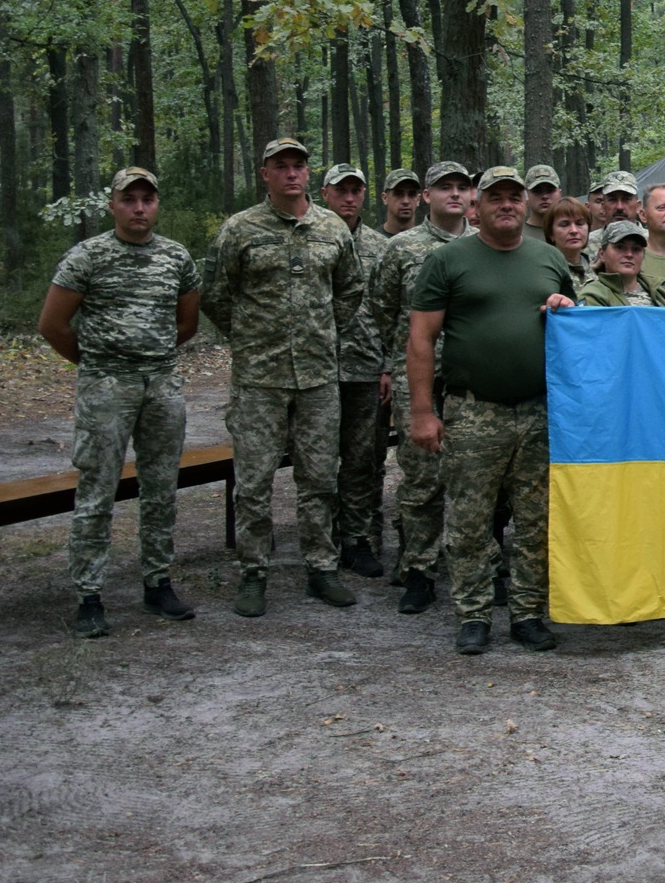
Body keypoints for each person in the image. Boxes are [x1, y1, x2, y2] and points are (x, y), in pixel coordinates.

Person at [408, 166, 576, 655]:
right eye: (495, 197)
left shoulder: (549, 258)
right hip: (474, 411)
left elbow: (576, 330)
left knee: (536, 518)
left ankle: (527, 613)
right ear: (477, 206)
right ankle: (474, 613)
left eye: (514, 196)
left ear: (525, 204)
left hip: (540, 411)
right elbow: (421, 338)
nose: (506, 204)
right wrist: (423, 412)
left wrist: (563, 305)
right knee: (469, 519)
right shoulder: (447, 260)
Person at [201, 137, 366, 618]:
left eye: (298, 166)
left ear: (308, 174)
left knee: (318, 478)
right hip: (259, 378)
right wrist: (251, 337)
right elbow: (216, 294)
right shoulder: (240, 229)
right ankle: (254, 572)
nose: (291, 174)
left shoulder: (332, 227)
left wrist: (322, 335)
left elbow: (350, 290)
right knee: (252, 481)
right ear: (265, 173)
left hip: (317, 377)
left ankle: (321, 567)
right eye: (281, 167)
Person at [38, 167, 201, 637]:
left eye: (147, 200)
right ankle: (89, 595)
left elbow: (185, 324)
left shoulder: (175, 257)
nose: (138, 208)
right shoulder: (87, 257)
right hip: (107, 387)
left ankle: (158, 583)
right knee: (97, 489)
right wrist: (98, 365)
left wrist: (152, 359)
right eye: (129, 199)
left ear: (156, 205)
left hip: (162, 386)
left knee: (161, 487)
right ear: (112, 204)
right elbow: (53, 326)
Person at [370, 161, 474, 613]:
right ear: (426, 196)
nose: (454, 194)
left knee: (475, 478)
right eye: (444, 187)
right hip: (421, 377)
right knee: (421, 478)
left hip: (473, 377)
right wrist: (399, 362)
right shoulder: (401, 248)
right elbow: (382, 307)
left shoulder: (485, 244)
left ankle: (476, 566)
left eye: (462, 187)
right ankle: (419, 569)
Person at [319, 163, 393, 579]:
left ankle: (358, 538)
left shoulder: (380, 247)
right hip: (315, 370)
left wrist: (386, 365)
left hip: (366, 369)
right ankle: (322, 539)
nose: (349, 198)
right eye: (341, 190)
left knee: (363, 459)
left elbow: (389, 310)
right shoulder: (311, 237)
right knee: (318, 461)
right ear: (324, 193)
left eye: (356, 191)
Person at [577, 221, 657, 306]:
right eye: (620, 247)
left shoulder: (656, 290)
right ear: (602, 254)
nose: (629, 254)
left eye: (636, 249)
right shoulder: (593, 295)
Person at [544, 197, 595, 290]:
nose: (574, 231)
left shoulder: (598, 268)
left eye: (580, 223)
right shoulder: (544, 270)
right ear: (551, 233)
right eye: (564, 224)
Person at [520, 165, 562, 243]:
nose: (544, 196)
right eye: (537, 191)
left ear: (560, 193)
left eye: (550, 191)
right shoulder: (517, 236)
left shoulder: (573, 233)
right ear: (526, 196)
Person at [379, 168, 421, 236]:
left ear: (418, 199)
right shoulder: (371, 242)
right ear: (385, 198)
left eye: (412, 194)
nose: (406, 201)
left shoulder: (431, 243)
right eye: (398, 194)